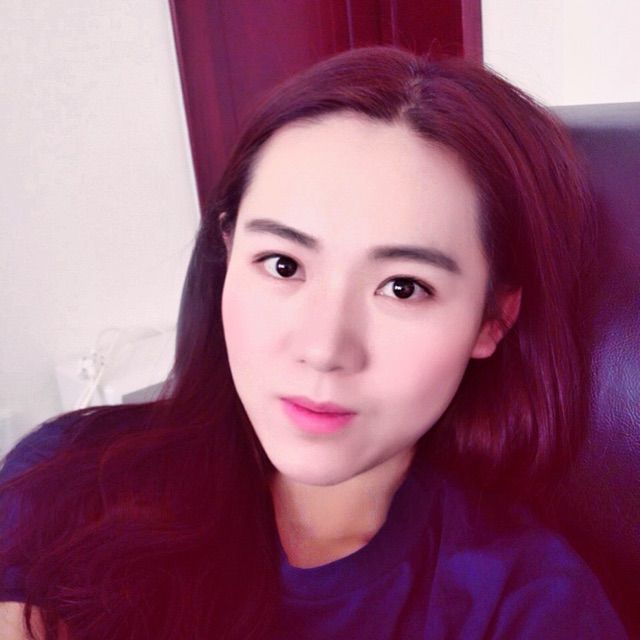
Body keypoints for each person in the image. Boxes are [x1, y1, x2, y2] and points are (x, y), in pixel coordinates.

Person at [0, 46, 628, 639]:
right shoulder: (67, 477)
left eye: (404, 287)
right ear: (228, 253)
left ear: (492, 320)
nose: (324, 349)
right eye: (283, 265)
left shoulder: (526, 607)